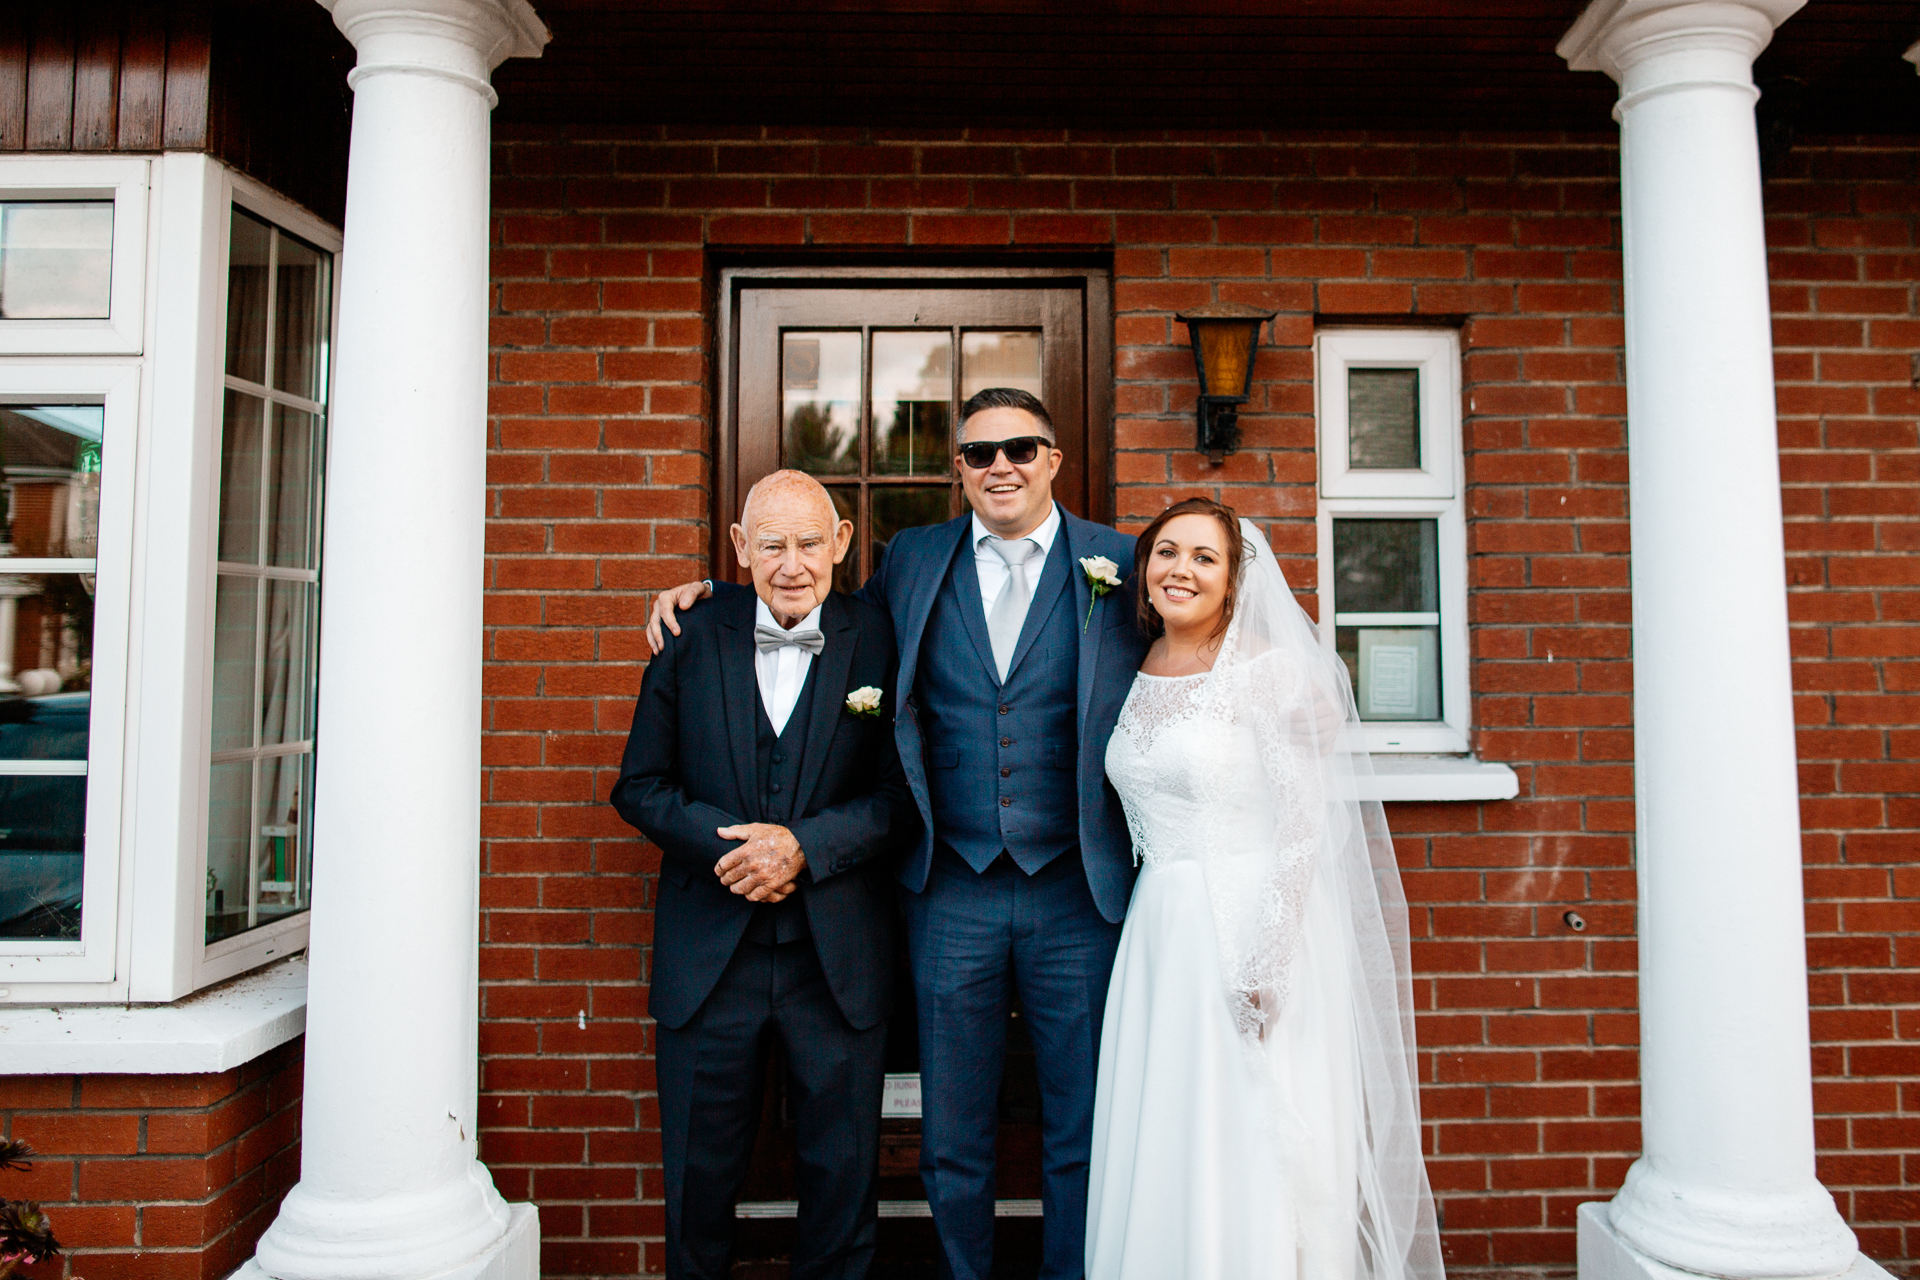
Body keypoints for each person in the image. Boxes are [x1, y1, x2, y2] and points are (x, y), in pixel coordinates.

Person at [648, 388, 1149, 1280]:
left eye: (1022, 449)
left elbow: (1202, 629)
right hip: (948, 885)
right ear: (957, 469)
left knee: (1082, 1124)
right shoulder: (913, 561)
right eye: (980, 453)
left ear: (1054, 461)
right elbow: (805, 601)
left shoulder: (1120, 562)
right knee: (952, 1132)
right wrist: (709, 598)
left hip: (1077, 888)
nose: (1003, 466)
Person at [1086, 497, 1442, 1280]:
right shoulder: (1136, 666)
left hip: (1241, 922)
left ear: (1236, 580)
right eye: (1167, 552)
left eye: (1204, 558)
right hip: (1157, 934)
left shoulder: (1268, 671)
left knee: (1244, 1124)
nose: (1180, 570)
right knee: (1173, 1126)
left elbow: (1303, 822)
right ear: (1143, 568)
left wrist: (1270, 956)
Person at [612, 470, 917, 1280]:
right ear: (741, 549)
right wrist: (741, 851)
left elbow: (904, 796)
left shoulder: (883, 640)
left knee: (842, 1182)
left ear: (843, 543)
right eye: (772, 544)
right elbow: (637, 786)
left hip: (837, 957)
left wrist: (805, 846)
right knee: (698, 1187)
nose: (792, 563)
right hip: (710, 957)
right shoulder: (687, 634)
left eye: (810, 542)